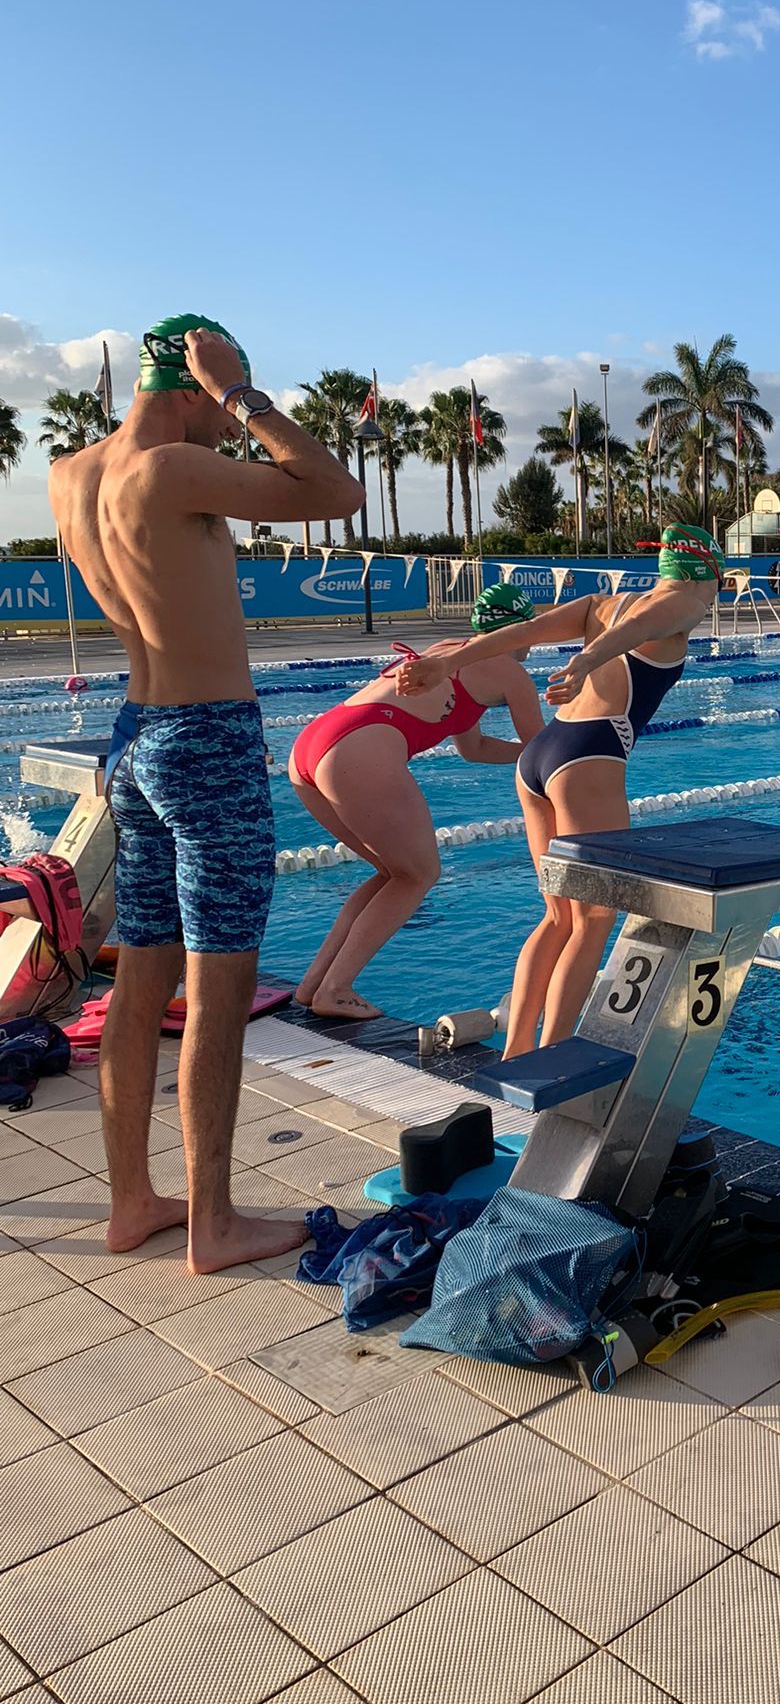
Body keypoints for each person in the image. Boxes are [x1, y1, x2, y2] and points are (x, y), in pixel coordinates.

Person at [48, 315, 365, 1272]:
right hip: (206, 741)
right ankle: (215, 1224)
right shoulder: (171, 469)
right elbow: (336, 490)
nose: (228, 430)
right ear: (188, 385)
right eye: (218, 404)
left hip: (134, 738)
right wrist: (243, 394)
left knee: (139, 980)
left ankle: (133, 1202)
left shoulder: (72, 474)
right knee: (218, 988)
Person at [396, 524, 721, 1057]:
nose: (714, 599)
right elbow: (642, 625)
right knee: (593, 921)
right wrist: (587, 661)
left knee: (557, 918)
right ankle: (551, 1059)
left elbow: (526, 631)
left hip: (541, 754)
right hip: (590, 754)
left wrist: (449, 662)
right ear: (702, 573)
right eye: (717, 585)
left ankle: (516, 1053)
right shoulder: (682, 602)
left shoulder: (601, 603)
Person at [287, 583, 545, 1018]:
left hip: (312, 747)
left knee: (393, 874)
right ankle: (336, 988)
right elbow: (543, 747)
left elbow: (474, 748)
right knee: (418, 875)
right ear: (522, 629)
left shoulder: (450, 651)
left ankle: (314, 984)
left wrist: (522, 755)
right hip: (358, 750)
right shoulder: (509, 671)